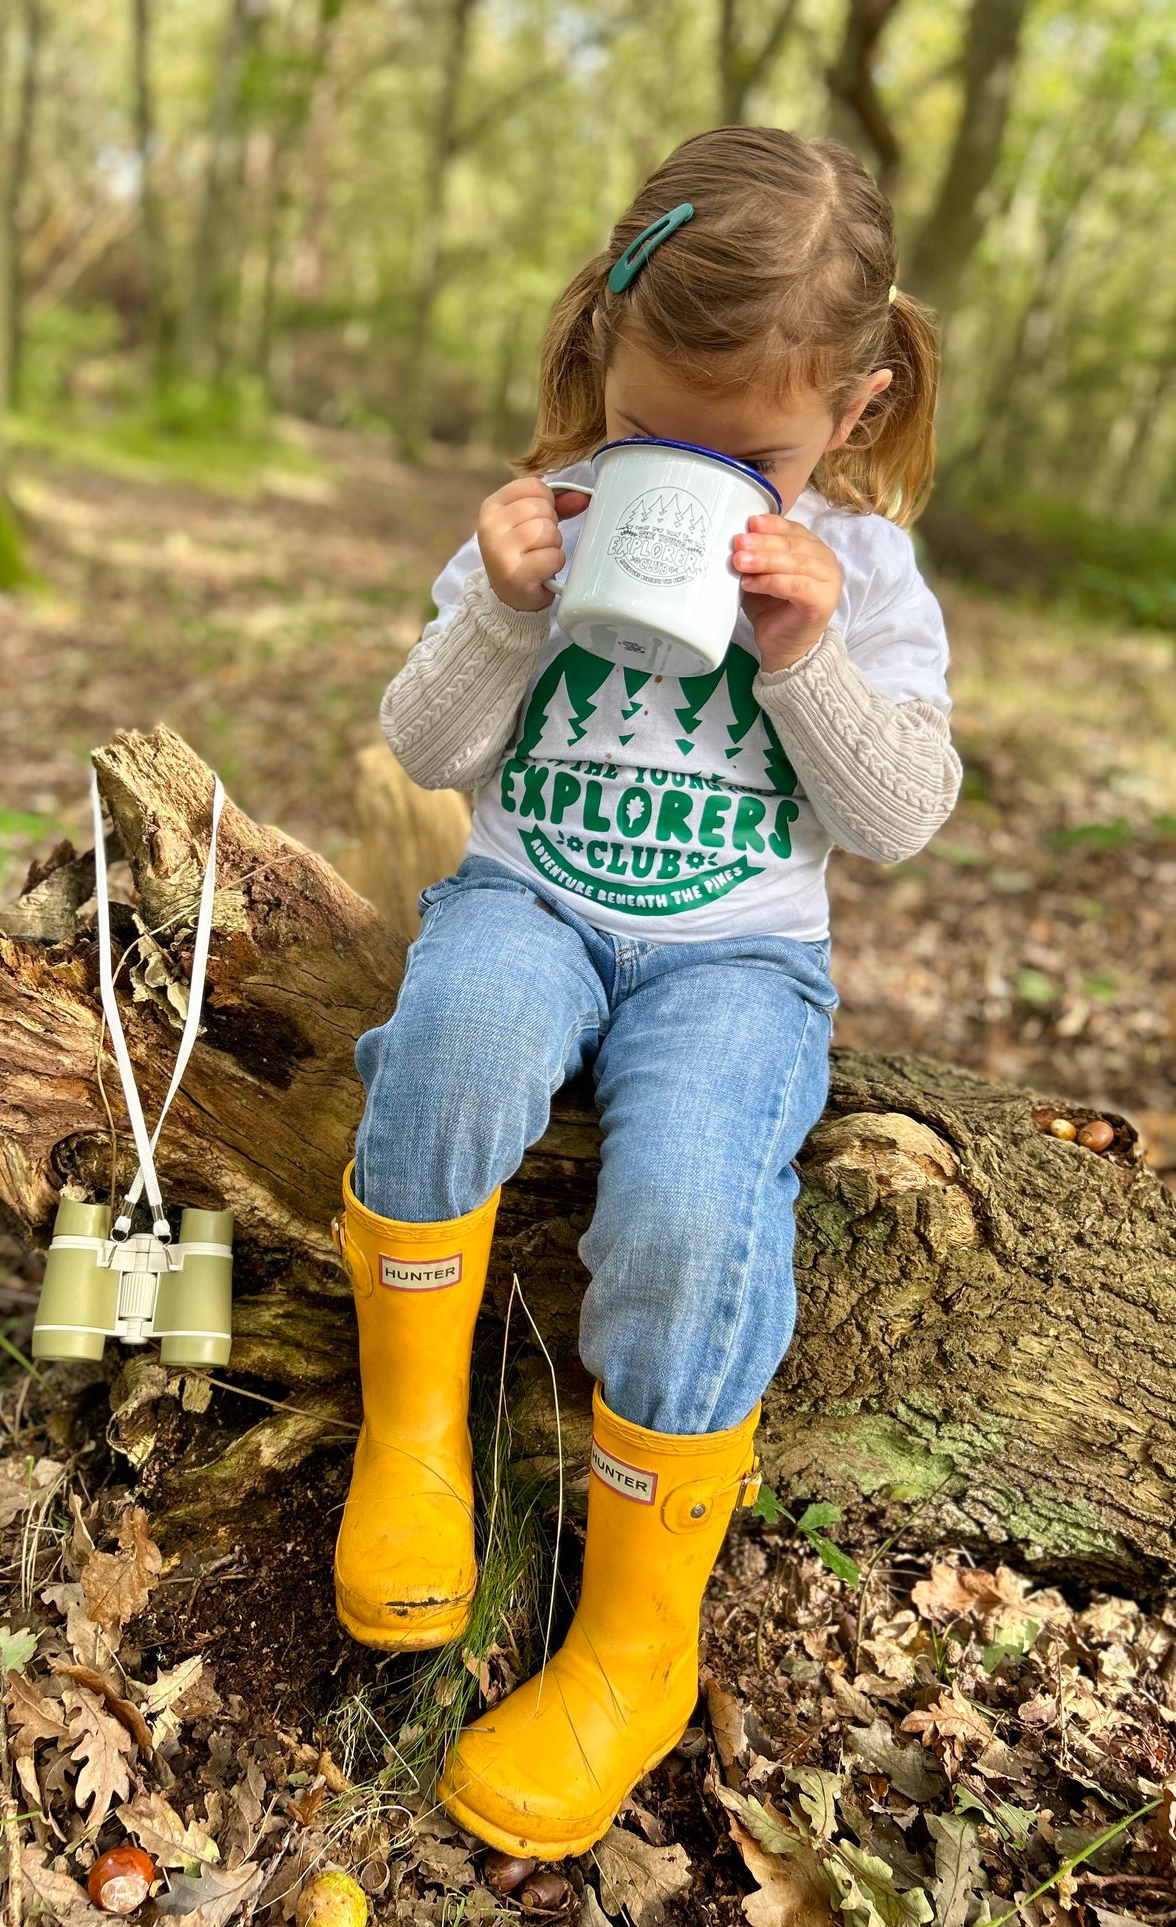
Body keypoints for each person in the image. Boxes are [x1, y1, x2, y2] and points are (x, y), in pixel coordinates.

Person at [330, 125, 961, 1858]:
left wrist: (807, 655)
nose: (682, 477)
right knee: (452, 1036)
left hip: (738, 954)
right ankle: (411, 1439)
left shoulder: (866, 578)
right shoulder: (540, 523)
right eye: (648, 433)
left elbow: (896, 821)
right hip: (532, 888)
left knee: (692, 1206)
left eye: (742, 452)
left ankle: (632, 1644)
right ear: (599, 350)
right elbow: (428, 750)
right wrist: (512, 612)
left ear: (846, 410)